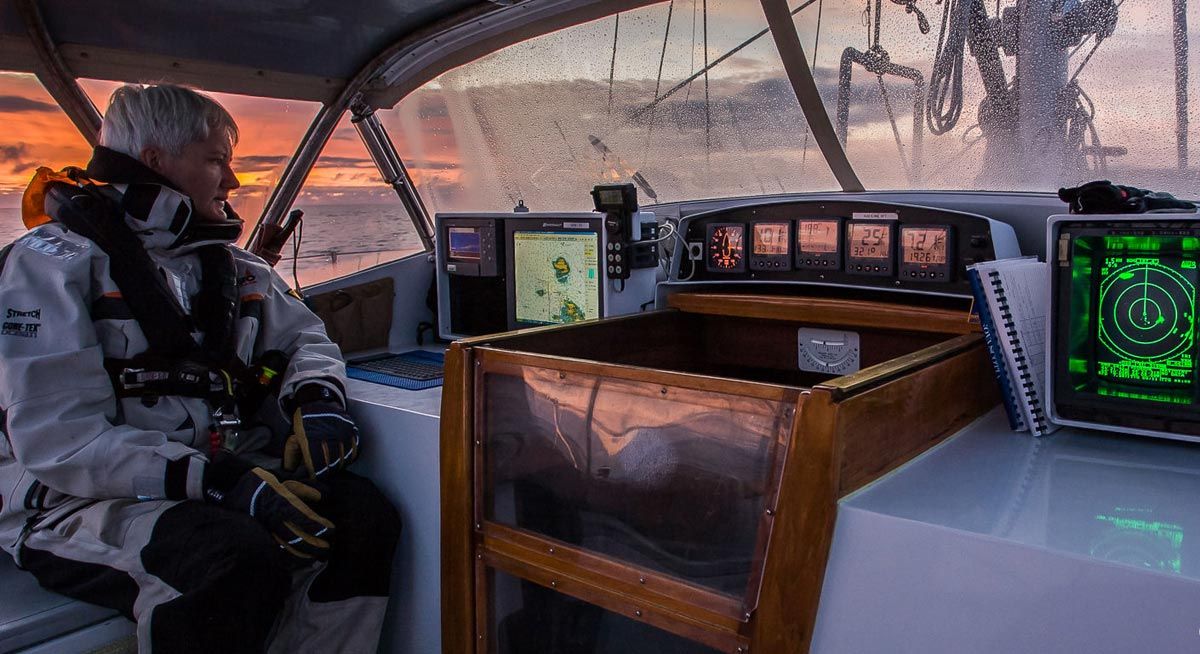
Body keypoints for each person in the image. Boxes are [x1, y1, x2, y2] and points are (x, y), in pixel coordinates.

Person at [0, 84, 400, 653]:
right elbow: (60, 440)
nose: (233, 183)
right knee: (231, 558)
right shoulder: (49, 267)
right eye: (217, 161)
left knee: (364, 516)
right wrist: (219, 484)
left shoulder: (231, 267)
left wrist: (317, 399)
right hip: (71, 501)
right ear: (156, 160)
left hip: (211, 474)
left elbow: (305, 338)